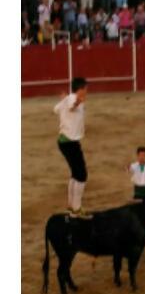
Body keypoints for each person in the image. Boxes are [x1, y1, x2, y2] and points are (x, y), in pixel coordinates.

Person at [54, 77, 90, 217]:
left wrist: (65, 100)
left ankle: (71, 205)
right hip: (70, 142)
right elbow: (71, 105)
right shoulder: (73, 99)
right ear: (80, 89)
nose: (87, 91)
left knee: (76, 173)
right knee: (81, 175)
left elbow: (55, 109)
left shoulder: (67, 98)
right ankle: (76, 208)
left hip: (66, 142)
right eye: (85, 89)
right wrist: (75, 102)